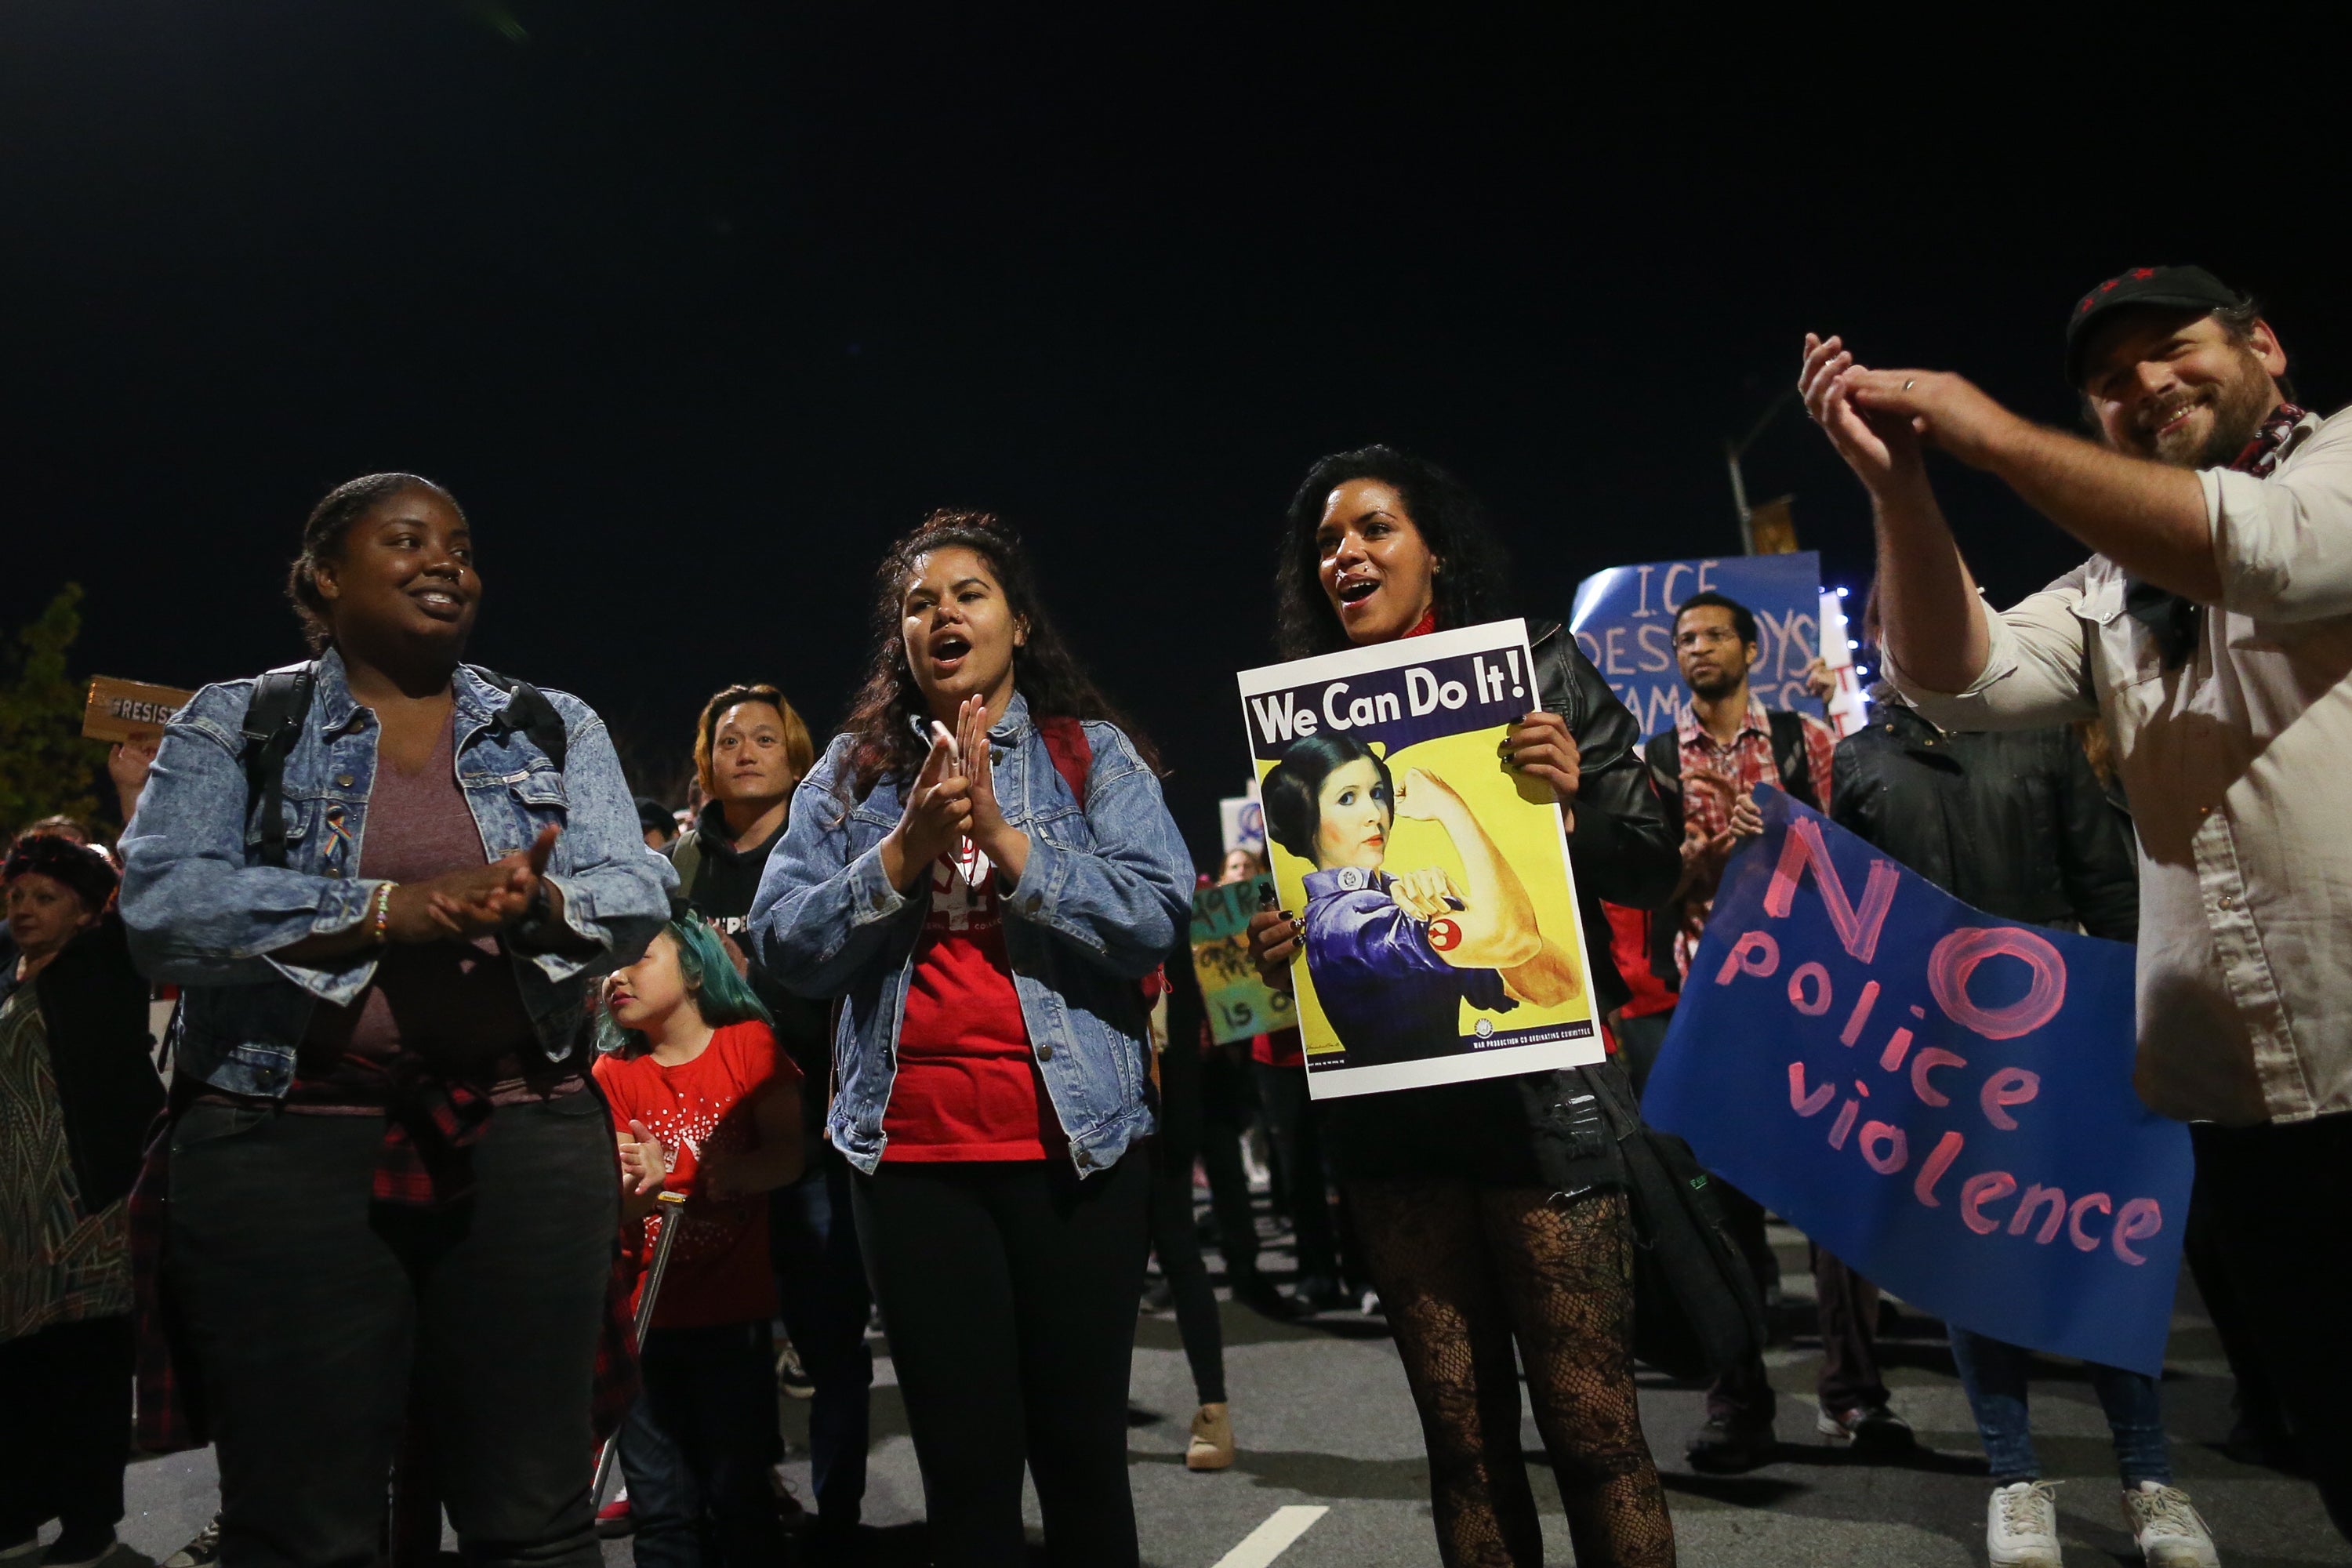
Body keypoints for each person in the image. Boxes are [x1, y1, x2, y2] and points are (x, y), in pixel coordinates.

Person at [1798, 263, 2352, 1538]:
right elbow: (1961, 677)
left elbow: (2266, 554)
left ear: (2266, 341)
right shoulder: (2116, 584)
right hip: (2252, 1105)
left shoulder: (2333, 471)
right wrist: (1904, 487)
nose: (2145, 385)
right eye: (2110, 380)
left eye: (2176, 349)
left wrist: (1989, 435)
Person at [116, 472, 673, 1568]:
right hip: (285, 1140)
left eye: (461, 546)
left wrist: (543, 903)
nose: (446, 563)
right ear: (324, 576)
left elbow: (640, 890)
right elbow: (165, 911)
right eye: (407, 541)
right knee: (303, 1521)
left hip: (525, 1136)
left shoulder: (552, 723)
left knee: (535, 1515)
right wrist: (386, 910)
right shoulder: (238, 719)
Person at [1247, 445, 1679, 1568]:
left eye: (1375, 529)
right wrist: (1283, 942)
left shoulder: (1539, 670)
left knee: (1595, 1434)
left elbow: (1651, 858)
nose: (1345, 553)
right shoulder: (1305, 731)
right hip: (1396, 1127)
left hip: (1541, 1101)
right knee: (1465, 1449)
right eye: (1327, 543)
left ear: (1435, 546)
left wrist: (1576, 796)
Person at [750, 510, 1192, 1568]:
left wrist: (1006, 841)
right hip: (910, 1162)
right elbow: (782, 941)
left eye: (969, 593)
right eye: (918, 602)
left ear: (1020, 624)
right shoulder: (856, 774)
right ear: (900, 638)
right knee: (966, 1466)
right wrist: (900, 854)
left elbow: (1155, 919)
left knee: (1082, 1453)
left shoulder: (1091, 754)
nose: (943, 613)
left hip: (1076, 1149)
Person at [1832, 657, 2220, 1568]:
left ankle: (2150, 1480)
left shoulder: (2038, 733)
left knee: (2099, 1251)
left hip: (2060, 1036)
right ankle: (2015, 1478)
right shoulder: (1859, 760)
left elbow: (2111, 890)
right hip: (1939, 1047)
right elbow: (1858, 915)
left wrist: (2134, 1023)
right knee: (1976, 1264)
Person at [1643, 590, 1905, 1473]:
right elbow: (1652, 900)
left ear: (1750, 648)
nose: (1698, 648)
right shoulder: (1655, 763)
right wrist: (1710, 857)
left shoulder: (1804, 742)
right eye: (1684, 639)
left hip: (1816, 996)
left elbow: (1856, 868)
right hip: (1716, 1006)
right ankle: (1738, 1400)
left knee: (1837, 1204)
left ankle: (1856, 1396)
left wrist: (1790, 834)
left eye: (1715, 634)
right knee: (1727, 1214)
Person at [666, 682, 872, 1552]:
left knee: (829, 1341)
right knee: (725, 1344)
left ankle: (839, 1515)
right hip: (713, 1135)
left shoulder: (830, 846)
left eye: (764, 737)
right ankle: (743, 1502)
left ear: (799, 757)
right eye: (727, 739)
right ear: (706, 761)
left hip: (816, 1129)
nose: (744, 750)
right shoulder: (680, 868)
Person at [593, 915, 806, 1568]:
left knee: (737, 1495)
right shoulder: (611, 1073)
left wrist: (740, 1171)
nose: (615, 977)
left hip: (731, 1316)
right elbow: (612, 1204)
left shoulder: (748, 1046)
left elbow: (791, 1153)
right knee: (661, 1509)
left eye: (636, 958)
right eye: (606, 964)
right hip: (643, 1321)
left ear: (693, 968)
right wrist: (643, 1194)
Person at [1, 836, 164, 1568]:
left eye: (45, 897)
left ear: (85, 911)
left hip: (85, 1202)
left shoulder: (105, 967)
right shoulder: (8, 973)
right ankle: (17, 1508)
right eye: (16, 895)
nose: (24, 908)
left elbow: (146, 898)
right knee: (19, 1366)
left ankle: (89, 1522)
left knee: (85, 1367)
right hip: (15, 1211)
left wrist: (137, 796)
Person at [1261, 735, 1583, 1069]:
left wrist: (1465, 908)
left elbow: (1558, 987)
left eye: (1376, 793)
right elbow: (1511, 938)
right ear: (1306, 818)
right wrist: (1451, 808)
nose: (1374, 813)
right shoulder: (1345, 920)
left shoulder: (1390, 900)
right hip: (1401, 1110)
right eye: (1347, 799)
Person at [1224, 845, 1350, 1313]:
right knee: (1298, 1173)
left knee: (1342, 1166)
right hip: (1277, 1058)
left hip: (1332, 1044)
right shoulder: (1243, 913)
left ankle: (1359, 1273)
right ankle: (1317, 1273)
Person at [1149, 935, 1236, 1471]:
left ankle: (1214, 1411)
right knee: (1094, 1276)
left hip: (1160, 1114)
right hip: (1085, 1120)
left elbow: (1184, 1021)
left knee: (1180, 1256)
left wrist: (1181, 1121)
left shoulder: (1164, 925)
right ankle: (1084, 1414)